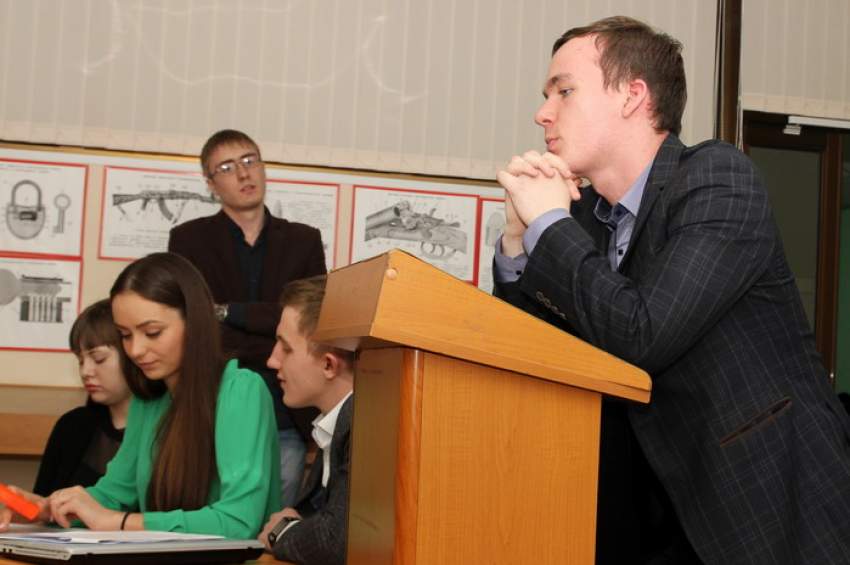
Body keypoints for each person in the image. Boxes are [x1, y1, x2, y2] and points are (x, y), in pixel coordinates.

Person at [494, 16, 850, 565]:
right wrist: (519, 243)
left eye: (563, 91)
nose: (543, 113)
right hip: (647, 520)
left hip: (766, 509)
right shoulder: (581, 222)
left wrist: (549, 225)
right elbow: (533, 355)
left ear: (633, 95)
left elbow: (642, 335)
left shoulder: (716, 178)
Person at [2, 253, 280, 537]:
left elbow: (239, 521)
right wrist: (47, 508)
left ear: (194, 322)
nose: (135, 350)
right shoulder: (148, 401)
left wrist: (119, 522)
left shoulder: (241, 390)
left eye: (152, 332)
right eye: (125, 335)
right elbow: (112, 495)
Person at [168, 129, 326, 508]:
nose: (243, 173)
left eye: (249, 160)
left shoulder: (303, 240)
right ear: (210, 184)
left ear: (263, 167)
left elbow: (313, 319)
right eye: (226, 167)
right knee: (214, 521)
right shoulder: (188, 240)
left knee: (274, 526)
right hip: (215, 407)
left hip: (285, 413)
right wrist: (273, 326)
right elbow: (194, 323)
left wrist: (227, 312)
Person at [258, 275, 354, 565]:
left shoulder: (366, 429)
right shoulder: (336, 423)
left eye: (286, 348)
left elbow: (333, 541)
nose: (272, 360)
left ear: (328, 364)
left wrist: (281, 531)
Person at [33, 299, 132, 496]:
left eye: (98, 359)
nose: (85, 371)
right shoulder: (72, 425)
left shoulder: (161, 432)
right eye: (80, 360)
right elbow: (42, 502)